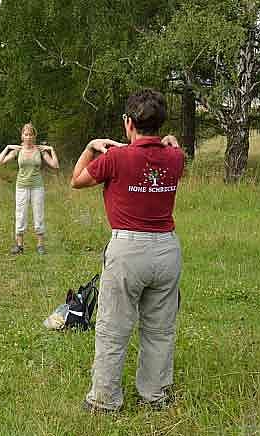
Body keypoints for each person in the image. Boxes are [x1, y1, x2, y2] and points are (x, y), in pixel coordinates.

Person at [70, 89, 185, 413]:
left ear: (128, 123)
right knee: (160, 329)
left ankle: (104, 400)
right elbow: (174, 152)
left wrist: (91, 147)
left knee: (113, 327)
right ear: (160, 123)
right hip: (166, 248)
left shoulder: (116, 158)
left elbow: (76, 181)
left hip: (127, 248)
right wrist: (170, 141)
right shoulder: (175, 157)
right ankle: (155, 395)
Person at [0, 123, 59, 255]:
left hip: (37, 186)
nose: (28, 137)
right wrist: (8, 147)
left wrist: (51, 150)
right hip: (21, 187)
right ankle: (19, 245)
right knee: (21, 214)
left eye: (31, 134)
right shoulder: (18, 150)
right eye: (26, 134)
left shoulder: (39, 150)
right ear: (22, 136)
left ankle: (40, 245)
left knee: (39, 214)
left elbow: (55, 165)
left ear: (34, 136)